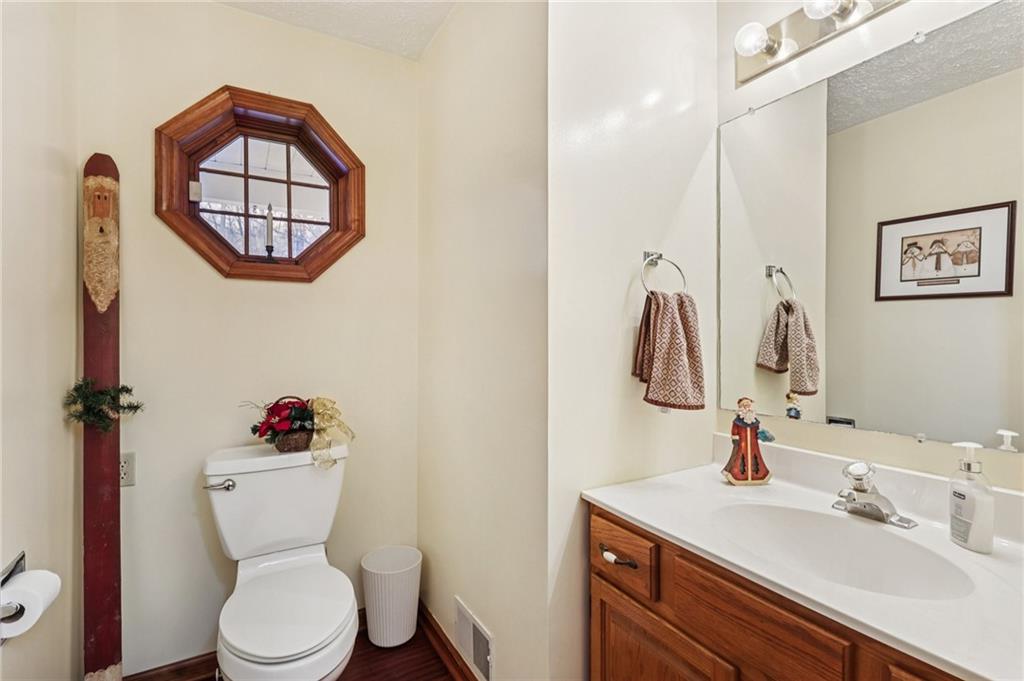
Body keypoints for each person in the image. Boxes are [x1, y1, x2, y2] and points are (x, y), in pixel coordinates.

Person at [723, 397, 772, 485]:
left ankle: (757, 475)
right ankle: (738, 474)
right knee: (739, 457)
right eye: (745, 405)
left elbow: (757, 428)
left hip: (753, 443)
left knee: (755, 457)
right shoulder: (737, 421)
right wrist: (735, 438)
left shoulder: (753, 419)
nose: (747, 407)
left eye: (748, 405)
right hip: (742, 443)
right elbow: (734, 430)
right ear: (741, 407)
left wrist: (761, 434)